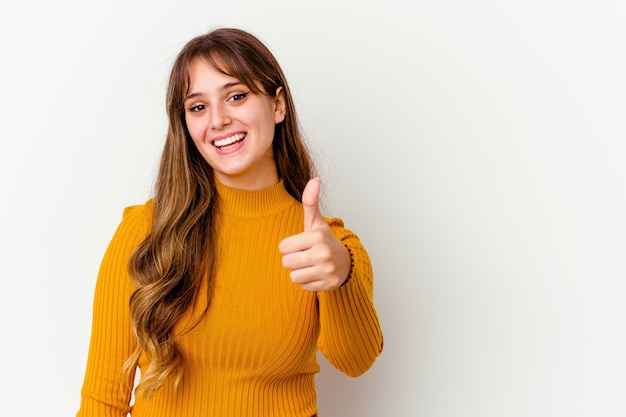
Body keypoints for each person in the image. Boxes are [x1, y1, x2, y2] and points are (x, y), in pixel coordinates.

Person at [76, 27, 383, 417]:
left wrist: (342, 276)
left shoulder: (326, 247)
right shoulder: (146, 230)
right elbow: (103, 400)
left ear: (278, 105)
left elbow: (356, 361)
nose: (218, 120)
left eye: (236, 96)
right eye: (198, 107)